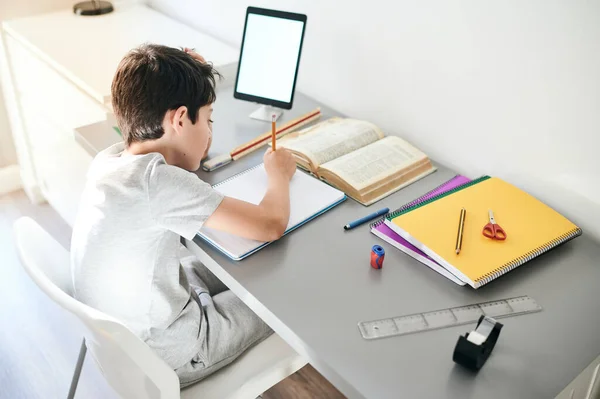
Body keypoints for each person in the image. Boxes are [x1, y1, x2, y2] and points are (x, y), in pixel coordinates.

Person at [70, 43, 297, 386]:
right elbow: (270, 224)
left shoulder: (112, 159)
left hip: (125, 340)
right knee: (280, 292)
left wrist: (191, 86)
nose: (209, 132)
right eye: (209, 119)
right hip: (173, 354)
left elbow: (183, 155)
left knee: (230, 267)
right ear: (179, 118)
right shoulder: (159, 182)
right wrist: (278, 174)